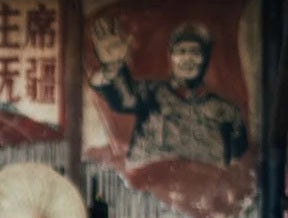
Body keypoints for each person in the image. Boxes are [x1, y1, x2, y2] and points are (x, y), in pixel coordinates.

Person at [89, 19, 249, 169]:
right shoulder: (149, 93)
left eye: (195, 52)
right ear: (171, 56)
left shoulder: (227, 112)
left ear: (206, 58)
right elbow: (123, 101)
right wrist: (112, 66)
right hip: (146, 191)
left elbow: (237, 165)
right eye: (181, 51)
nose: (188, 59)